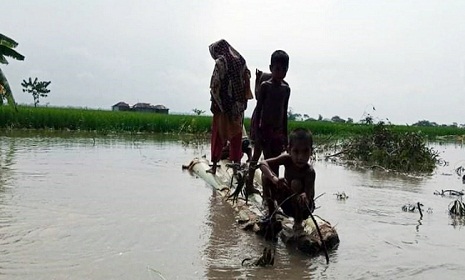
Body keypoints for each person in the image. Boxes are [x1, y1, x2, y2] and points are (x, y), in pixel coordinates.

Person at [246, 50, 290, 194]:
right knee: (257, 155)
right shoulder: (265, 86)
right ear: (271, 68)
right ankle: (249, 185)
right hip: (262, 127)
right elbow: (259, 110)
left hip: (276, 131)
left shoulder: (286, 89)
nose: (281, 72)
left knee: (274, 161)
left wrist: (285, 135)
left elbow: (284, 113)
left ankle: (272, 193)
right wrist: (257, 132)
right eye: (278, 69)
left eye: (284, 69)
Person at [207, 39, 253, 174]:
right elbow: (247, 77)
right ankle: (236, 167)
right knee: (236, 137)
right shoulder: (241, 61)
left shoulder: (221, 62)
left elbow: (215, 84)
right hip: (237, 106)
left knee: (218, 135)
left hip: (222, 105)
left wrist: (215, 103)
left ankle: (214, 167)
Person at [259, 128, 315, 236]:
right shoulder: (286, 159)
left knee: (295, 183)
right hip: (287, 202)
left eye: (305, 151)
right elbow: (262, 163)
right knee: (266, 177)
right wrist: (274, 179)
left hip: (303, 208)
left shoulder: (309, 172)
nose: (300, 157)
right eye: (296, 151)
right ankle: (271, 214)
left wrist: (305, 196)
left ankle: (298, 223)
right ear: (289, 150)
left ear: (311, 151)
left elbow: (309, 195)